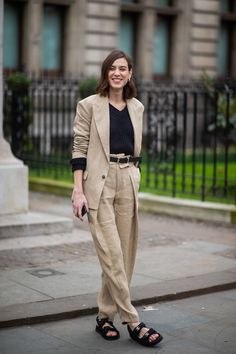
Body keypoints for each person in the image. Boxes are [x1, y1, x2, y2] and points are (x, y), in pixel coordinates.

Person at [71, 50, 163, 347]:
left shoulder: (137, 106)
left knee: (122, 255)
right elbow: (80, 147)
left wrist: (134, 176)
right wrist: (77, 190)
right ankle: (133, 321)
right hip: (99, 181)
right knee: (111, 254)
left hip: (128, 179)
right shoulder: (88, 105)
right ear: (105, 73)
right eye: (112, 68)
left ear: (130, 73)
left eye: (122, 68)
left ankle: (103, 317)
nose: (117, 73)